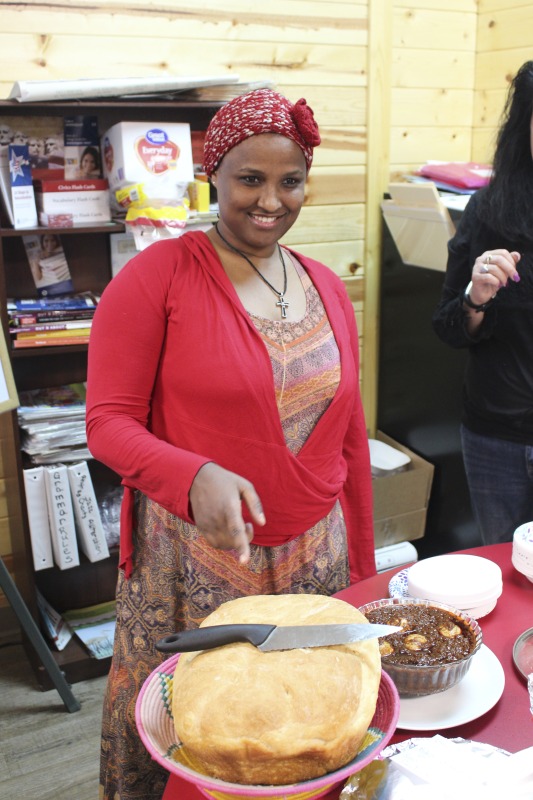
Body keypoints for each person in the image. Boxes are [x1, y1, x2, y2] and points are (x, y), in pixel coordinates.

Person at [86, 88, 375, 800]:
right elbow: (107, 422)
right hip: (195, 565)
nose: (270, 201)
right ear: (213, 174)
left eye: (290, 181)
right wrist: (193, 475)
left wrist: (362, 577)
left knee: (304, 734)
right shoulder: (157, 276)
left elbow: (347, 440)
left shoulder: (325, 286)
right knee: (201, 732)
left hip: (317, 561)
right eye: (250, 178)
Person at [432, 60, 533, 545]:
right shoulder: (490, 209)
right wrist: (476, 297)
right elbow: (448, 327)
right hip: (495, 434)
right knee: (503, 573)